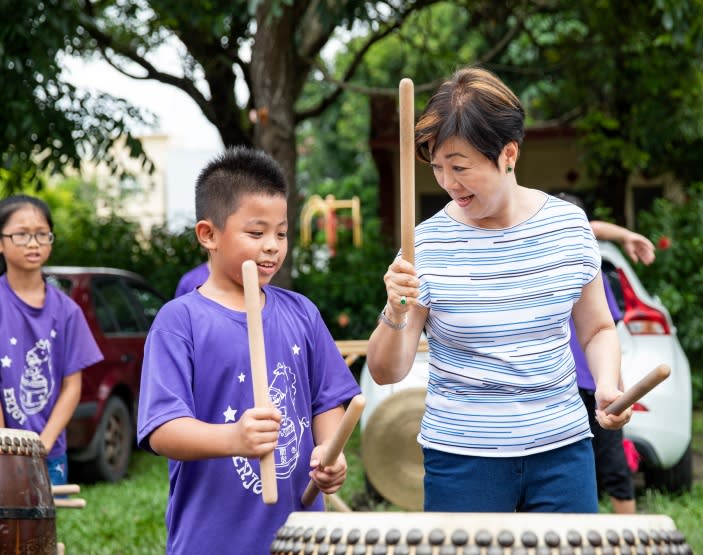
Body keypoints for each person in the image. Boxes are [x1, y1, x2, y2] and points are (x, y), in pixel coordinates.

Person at [365, 67, 631, 514]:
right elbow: (386, 372)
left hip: (562, 451)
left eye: (460, 167)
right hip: (462, 460)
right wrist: (395, 311)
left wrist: (607, 382)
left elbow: (598, 329)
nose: (448, 183)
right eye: (437, 168)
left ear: (508, 154)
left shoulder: (568, 229)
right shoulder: (424, 245)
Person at [136, 146, 360, 554]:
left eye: (281, 232)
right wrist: (234, 438)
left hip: (300, 536)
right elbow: (163, 430)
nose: (272, 246)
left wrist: (329, 450)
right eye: (256, 233)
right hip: (214, 538)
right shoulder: (179, 322)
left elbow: (327, 400)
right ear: (209, 235)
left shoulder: (302, 313)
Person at [555, 192, 655, 514]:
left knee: (614, 469)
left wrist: (617, 389)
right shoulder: (533, 265)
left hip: (593, 387)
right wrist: (626, 235)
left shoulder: (589, 275)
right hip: (553, 390)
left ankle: (626, 541)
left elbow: (606, 337)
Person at [0, 195, 103, 486]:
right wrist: (7, 447)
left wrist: (42, 446)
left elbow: (72, 386)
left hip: (50, 452)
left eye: (41, 234)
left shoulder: (68, 311)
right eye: (21, 234)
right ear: (1, 242)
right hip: (1, 450)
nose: (33, 242)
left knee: (42, 531)